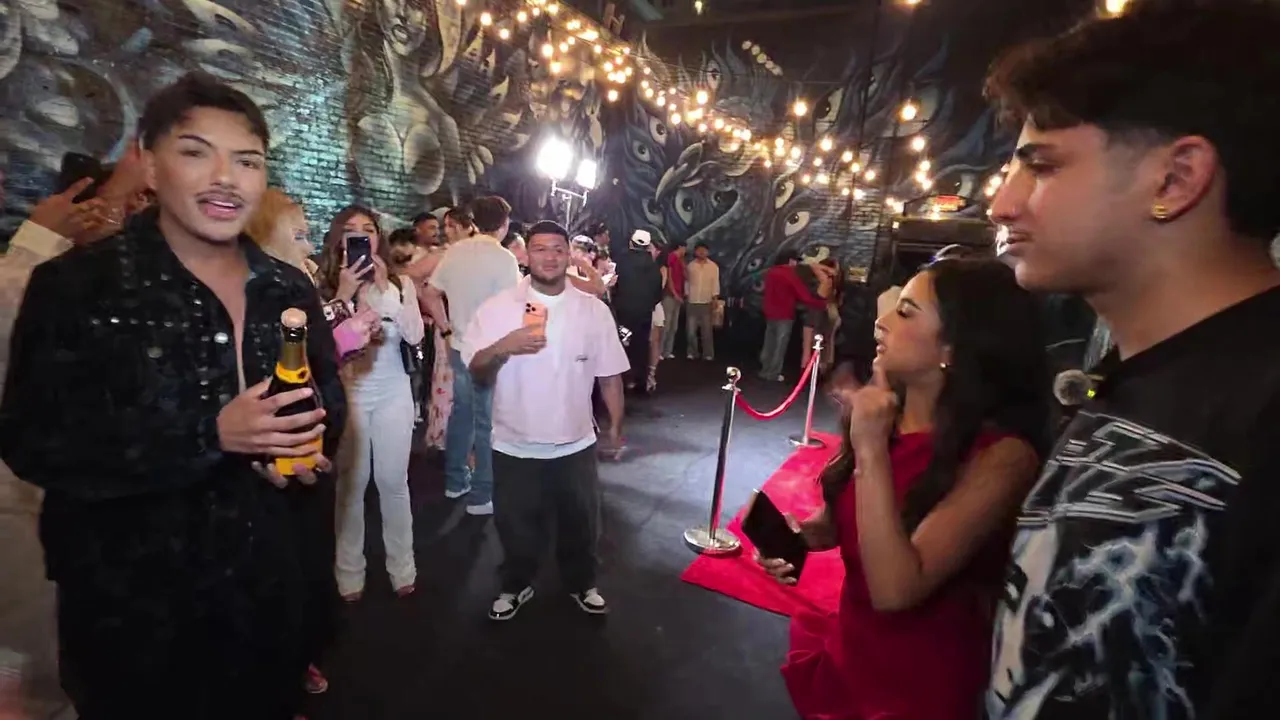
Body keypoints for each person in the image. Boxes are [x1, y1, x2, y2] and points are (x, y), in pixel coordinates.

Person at [0, 72, 346, 718]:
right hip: (136, 619)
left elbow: (327, 395)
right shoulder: (77, 286)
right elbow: (34, 440)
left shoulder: (287, 288)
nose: (225, 178)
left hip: (268, 601)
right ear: (150, 164)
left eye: (247, 161)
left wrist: (305, 444)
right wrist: (209, 435)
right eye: (196, 152)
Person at [982, 3, 1280, 718]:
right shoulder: (1135, 374)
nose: (1001, 205)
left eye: (1042, 166)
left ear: (1176, 180)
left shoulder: (1262, 417)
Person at [758, 258, 1050, 720]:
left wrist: (870, 449)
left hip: (918, 686)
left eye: (907, 312)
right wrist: (795, 537)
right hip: (852, 652)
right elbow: (839, 526)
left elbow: (896, 590)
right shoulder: (885, 417)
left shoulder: (1002, 457)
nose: (882, 320)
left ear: (953, 346)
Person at [461, 220, 628, 620]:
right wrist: (503, 346)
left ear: (569, 254)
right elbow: (476, 371)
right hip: (514, 440)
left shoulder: (592, 310)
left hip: (576, 440)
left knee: (581, 522)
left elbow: (610, 376)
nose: (549, 257)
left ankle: (582, 583)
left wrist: (616, 427)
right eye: (540, 248)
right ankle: (515, 584)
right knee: (514, 524)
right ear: (526, 255)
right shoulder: (499, 307)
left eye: (557, 248)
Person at [318, 206, 424, 601]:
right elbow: (317, 344)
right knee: (352, 483)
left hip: (394, 390)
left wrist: (387, 293)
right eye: (351, 230)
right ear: (338, 238)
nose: (361, 236)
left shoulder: (399, 283)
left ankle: (403, 567)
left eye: (369, 229)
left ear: (378, 238)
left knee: (393, 481)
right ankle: (349, 572)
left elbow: (415, 335)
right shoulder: (324, 283)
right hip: (350, 393)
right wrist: (344, 294)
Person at [424, 196, 522, 514]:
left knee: (462, 413)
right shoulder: (505, 259)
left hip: (459, 345)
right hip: (489, 351)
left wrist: (446, 327)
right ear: (504, 224)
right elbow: (514, 307)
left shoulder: (455, 252)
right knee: (486, 422)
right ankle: (482, 495)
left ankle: (455, 481)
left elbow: (430, 293)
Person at [611, 229, 664, 395]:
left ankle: (624, 381)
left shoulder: (621, 261)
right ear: (647, 246)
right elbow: (658, 293)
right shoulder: (653, 266)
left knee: (623, 344)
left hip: (623, 312)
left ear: (631, 243)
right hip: (644, 313)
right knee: (641, 346)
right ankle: (641, 382)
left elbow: (614, 286)